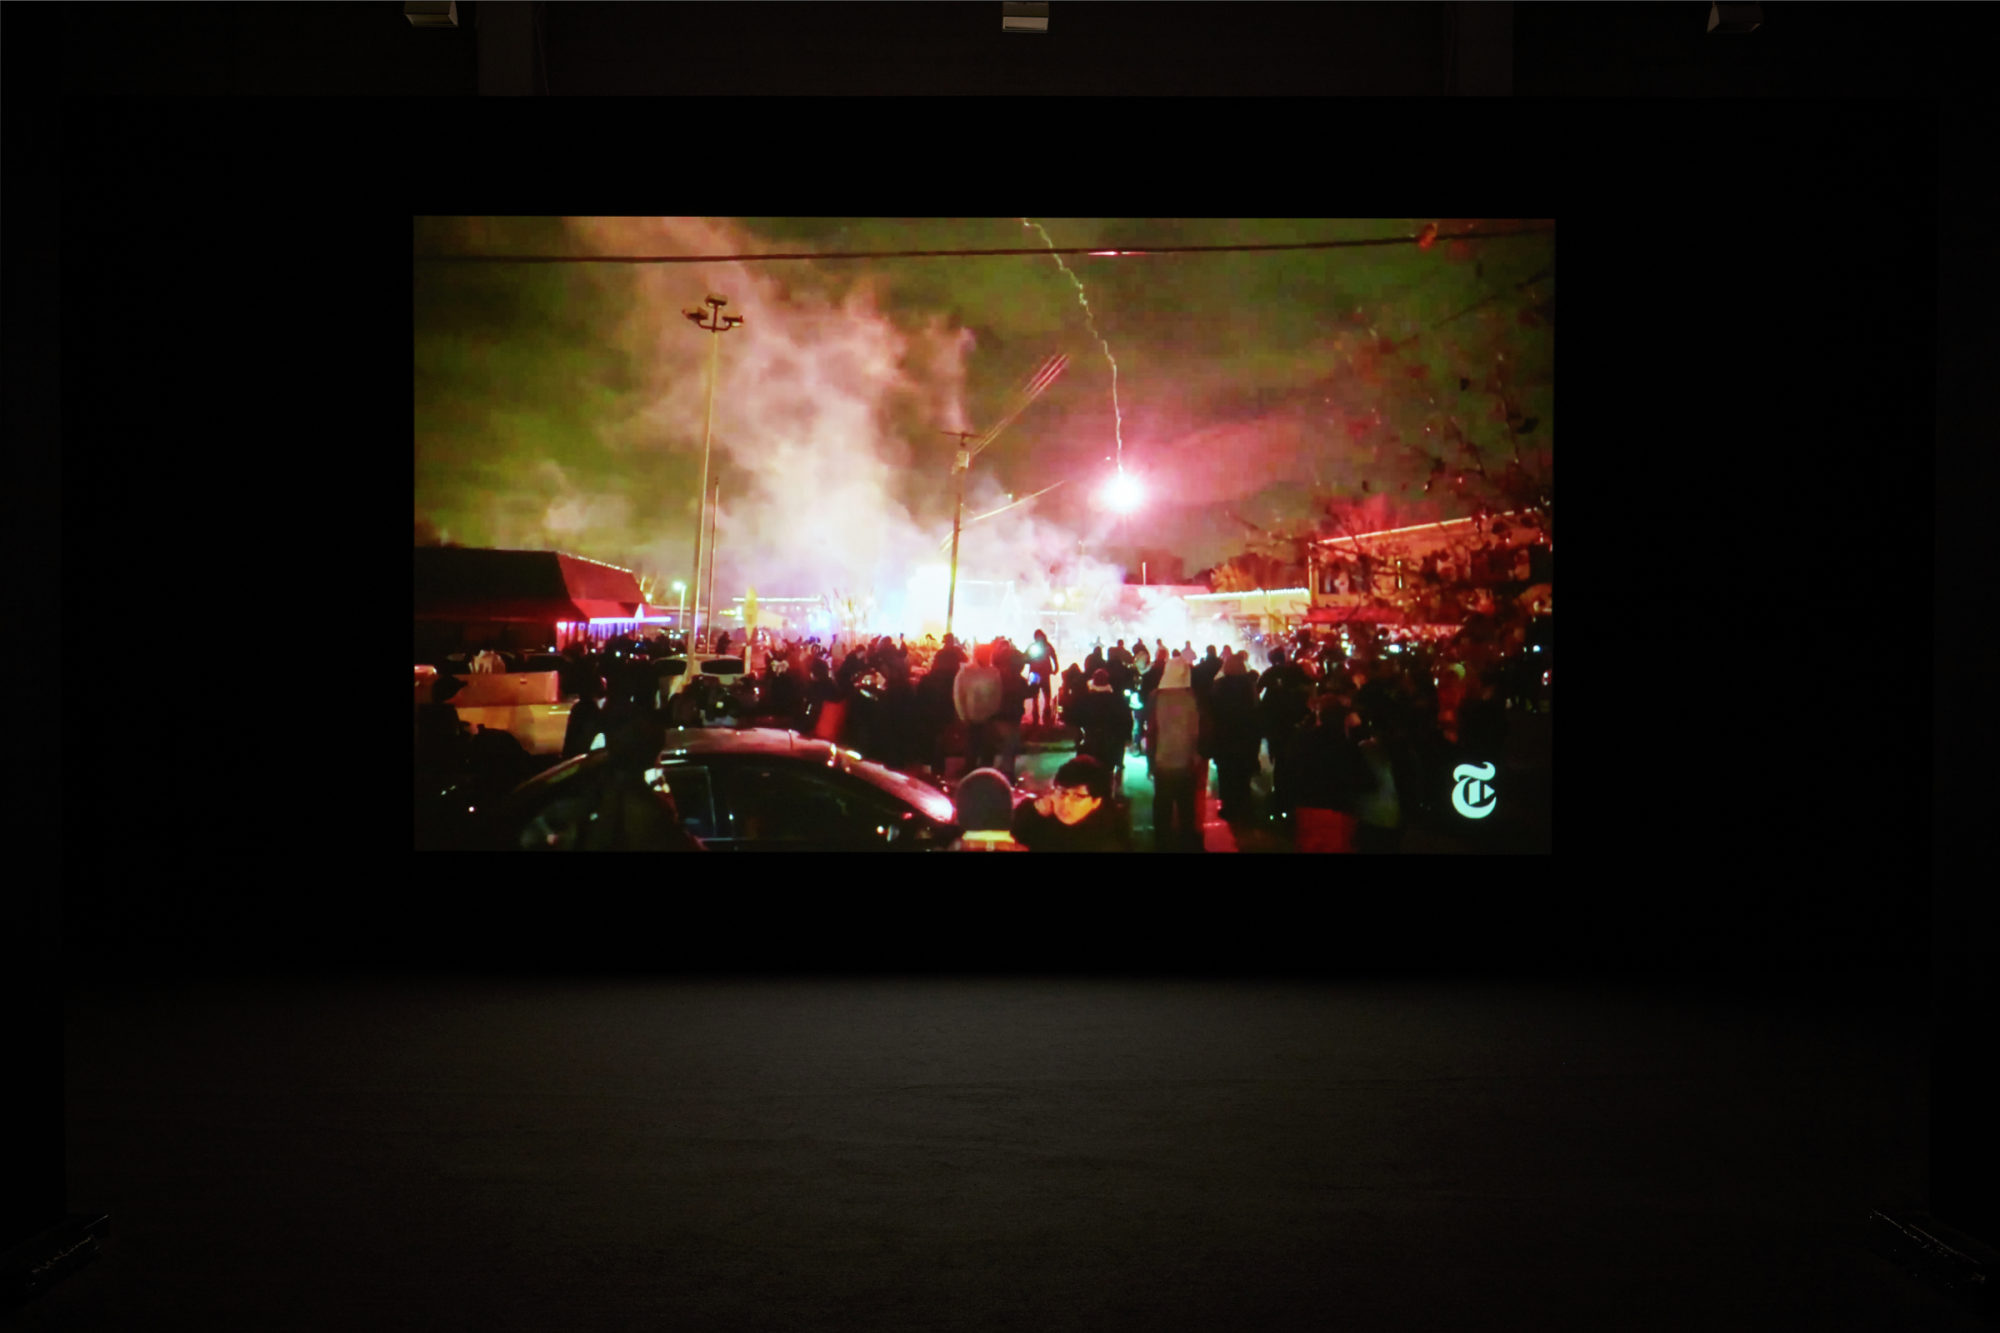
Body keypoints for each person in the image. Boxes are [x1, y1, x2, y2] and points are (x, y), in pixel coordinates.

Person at [1008, 756, 1130, 852]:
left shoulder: (1107, 837)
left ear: (1096, 802)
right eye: (1062, 792)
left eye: (1078, 796)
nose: (1065, 802)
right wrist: (1033, 813)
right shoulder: (1043, 815)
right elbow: (1015, 837)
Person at [1148, 654, 1205, 852]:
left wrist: (1150, 761)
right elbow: (1196, 731)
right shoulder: (1191, 698)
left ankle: (1162, 842)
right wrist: (1195, 757)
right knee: (1186, 806)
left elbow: (1152, 731)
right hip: (1185, 761)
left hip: (1163, 761)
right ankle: (1186, 842)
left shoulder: (1156, 697)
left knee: (1162, 805)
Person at [1210, 650, 1262, 822]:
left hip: (1225, 736)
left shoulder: (1219, 685)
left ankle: (1229, 808)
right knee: (1243, 774)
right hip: (1245, 736)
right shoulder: (1249, 686)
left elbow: (1213, 711)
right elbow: (1255, 709)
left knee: (1226, 775)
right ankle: (1245, 808)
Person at [1076, 667, 1132, 792]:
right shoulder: (1117, 700)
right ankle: (1108, 797)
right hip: (1112, 742)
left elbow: (1077, 718)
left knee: (1092, 771)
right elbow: (1126, 719)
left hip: (1092, 740)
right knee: (1108, 770)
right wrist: (1127, 737)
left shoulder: (1086, 700)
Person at [953, 640, 1003, 772]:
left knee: (987, 750)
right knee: (972, 749)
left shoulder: (993, 673)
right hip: (971, 718)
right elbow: (959, 695)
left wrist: (993, 713)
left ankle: (985, 773)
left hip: (988, 718)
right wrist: (963, 716)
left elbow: (997, 694)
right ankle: (970, 771)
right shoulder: (966, 672)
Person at [992, 637, 1030, 782]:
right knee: (1010, 746)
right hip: (1012, 716)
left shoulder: (999, 676)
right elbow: (1025, 693)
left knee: (1007, 746)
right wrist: (1035, 687)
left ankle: (1002, 772)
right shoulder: (1019, 680)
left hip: (1001, 715)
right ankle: (1006, 775)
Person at [1025, 628, 1060, 727]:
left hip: (1036, 674)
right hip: (1043, 673)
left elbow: (1025, 658)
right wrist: (1056, 667)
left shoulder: (1034, 646)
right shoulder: (1047, 645)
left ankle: (1038, 719)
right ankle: (1045, 718)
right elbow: (1054, 656)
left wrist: (1056, 667)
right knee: (1045, 696)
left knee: (1036, 696)